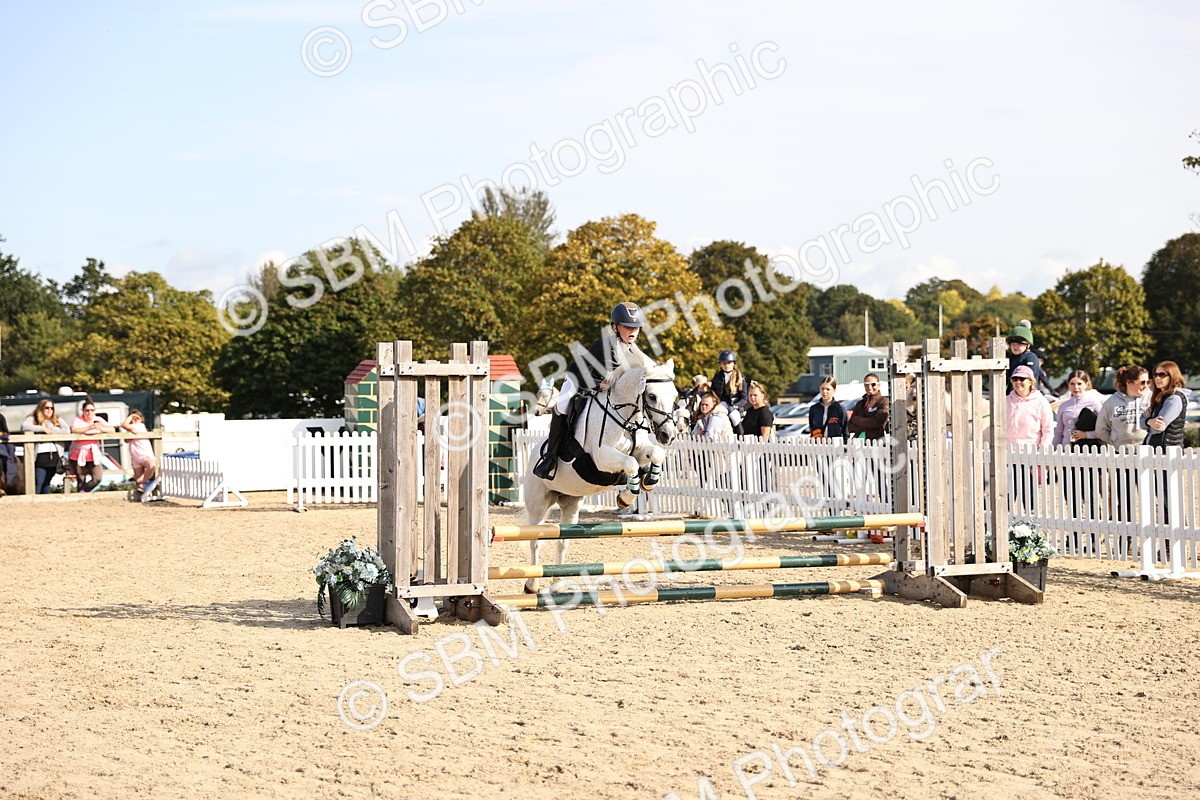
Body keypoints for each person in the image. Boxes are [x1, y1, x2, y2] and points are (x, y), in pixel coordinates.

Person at [533, 301, 647, 480]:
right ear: (615, 327)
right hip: (579, 378)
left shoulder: (636, 350)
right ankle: (550, 457)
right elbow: (583, 372)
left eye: (636, 327)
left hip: (608, 390)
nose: (633, 331)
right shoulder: (603, 344)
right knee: (562, 406)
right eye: (627, 327)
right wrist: (597, 384)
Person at [1095, 365, 1150, 523]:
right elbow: (1101, 428)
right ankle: (1127, 535)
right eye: (1142, 382)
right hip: (1121, 454)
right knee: (1124, 496)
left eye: (1148, 382)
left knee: (1149, 496)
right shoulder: (1111, 402)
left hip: (1146, 453)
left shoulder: (1150, 397)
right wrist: (1114, 441)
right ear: (1129, 382)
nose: (1145, 386)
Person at [1142, 361, 1188, 527]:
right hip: (1157, 450)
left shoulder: (1174, 398)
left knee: (1169, 496)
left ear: (1172, 376)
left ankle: (1174, 539)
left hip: (1167, 450)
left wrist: (1149, 420)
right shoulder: (1159, 398)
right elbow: (1143, 423)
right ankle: (1169, 538)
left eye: (1163, 374)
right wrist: (1149, 420)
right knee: (1162, 495)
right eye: (1155, 374)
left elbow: (1159, 426)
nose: (1157, 378)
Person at [1006, 365, 1053, 513]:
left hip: (1030, 455)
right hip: (1009, 454)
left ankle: (1030, 530)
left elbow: (1047, 430)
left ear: (1031, 381)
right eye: (1015, 379)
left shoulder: (1041, 402)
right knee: (1007, 495)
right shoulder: (1006, 400)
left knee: (1029, 497)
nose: (1018, 382)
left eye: (1022, 379)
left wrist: (1041, 453)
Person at [21, 399, 70, 495]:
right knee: (38, 481)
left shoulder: (56, 419)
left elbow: (66, 430)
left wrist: (52, 430)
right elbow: (25, 426)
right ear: (41, 408)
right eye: (47, 408)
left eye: (52, 408)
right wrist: (42, 429)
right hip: (39, 456)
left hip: (54, 456)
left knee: (46, 483)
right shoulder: (33, 418)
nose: (50, 410)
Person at [69, 397, 116, 492]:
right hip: (79, 453)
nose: (89, 413)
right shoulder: (78, 420)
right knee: (81, 479)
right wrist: (90, 427)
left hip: (93, 453)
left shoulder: (98, 419)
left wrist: (101, 428)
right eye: (87, 410)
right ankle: (80, 496)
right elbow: (74, 430)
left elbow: (112, 429)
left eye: (92, 410)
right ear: (83, 411)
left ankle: (83, 492)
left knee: (97, 478)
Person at [1052, 370, 1104, 449]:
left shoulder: (1094, 403)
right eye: (1072, 384)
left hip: (1088, 449)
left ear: (1086, 384)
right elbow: (1059, 432)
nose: (1076, 387)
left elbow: (1105, 428)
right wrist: (1053, 449)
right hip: (1066, 450)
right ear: (1068, 385)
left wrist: (1086, 435)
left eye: (1079, 384)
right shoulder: (1063, 406)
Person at [710, 350, 749, 434]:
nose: (726, 365)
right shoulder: (717, 377)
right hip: (720, 404)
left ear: (733, 363)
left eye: (729, 363)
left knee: (734, 417)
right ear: (720, 364)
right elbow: (712, 393)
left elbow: (744, 398)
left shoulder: (740, 378)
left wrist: (736, 406)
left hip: (733, 405)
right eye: (724, 363)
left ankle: (740, 436)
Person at [121, 410, 157, 497]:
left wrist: (130, 417)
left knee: (151, 465)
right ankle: (141, 496)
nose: (134, 420)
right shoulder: (131, 430)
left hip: (145, 455)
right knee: (138, 483)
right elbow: (126, 440)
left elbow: (123, 425)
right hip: (136, 457)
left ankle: (144, 482)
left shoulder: (140, 426)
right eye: (133, 419)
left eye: (137, 418)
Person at [1005, 325, 1048, 394]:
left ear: (1027, 345)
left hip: (1028, 393)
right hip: (1013, 393)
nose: (1015, 347)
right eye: (1013, 344)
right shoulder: (1011, 358)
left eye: (1019, 344)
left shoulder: (1031, 357)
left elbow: (1029, 378)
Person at [847, 373, 890, 440]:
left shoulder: (883, 401)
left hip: (876, 442)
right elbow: (850, 427)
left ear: (879, 385)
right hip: (858, 442)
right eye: (866, 385)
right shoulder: (860, 403)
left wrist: (856, 420)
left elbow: (877, 422)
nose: (869, 387)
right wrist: (870, 423)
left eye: (873, 384)